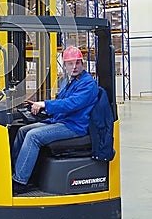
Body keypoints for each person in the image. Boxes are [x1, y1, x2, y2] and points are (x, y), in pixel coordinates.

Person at [12, 46, 99, 195]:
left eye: (77, 63)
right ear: (64, 65)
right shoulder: (68, 81)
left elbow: (72, 104)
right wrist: (41, 104)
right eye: (70, 63)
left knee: (33, 136)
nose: (74, 66)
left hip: (74, 126)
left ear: (82, 64)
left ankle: (20, 182)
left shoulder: (88, 83)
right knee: (21, 130)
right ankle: (20, 171)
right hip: (60, 120)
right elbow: (61, 100)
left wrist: (46, 104)